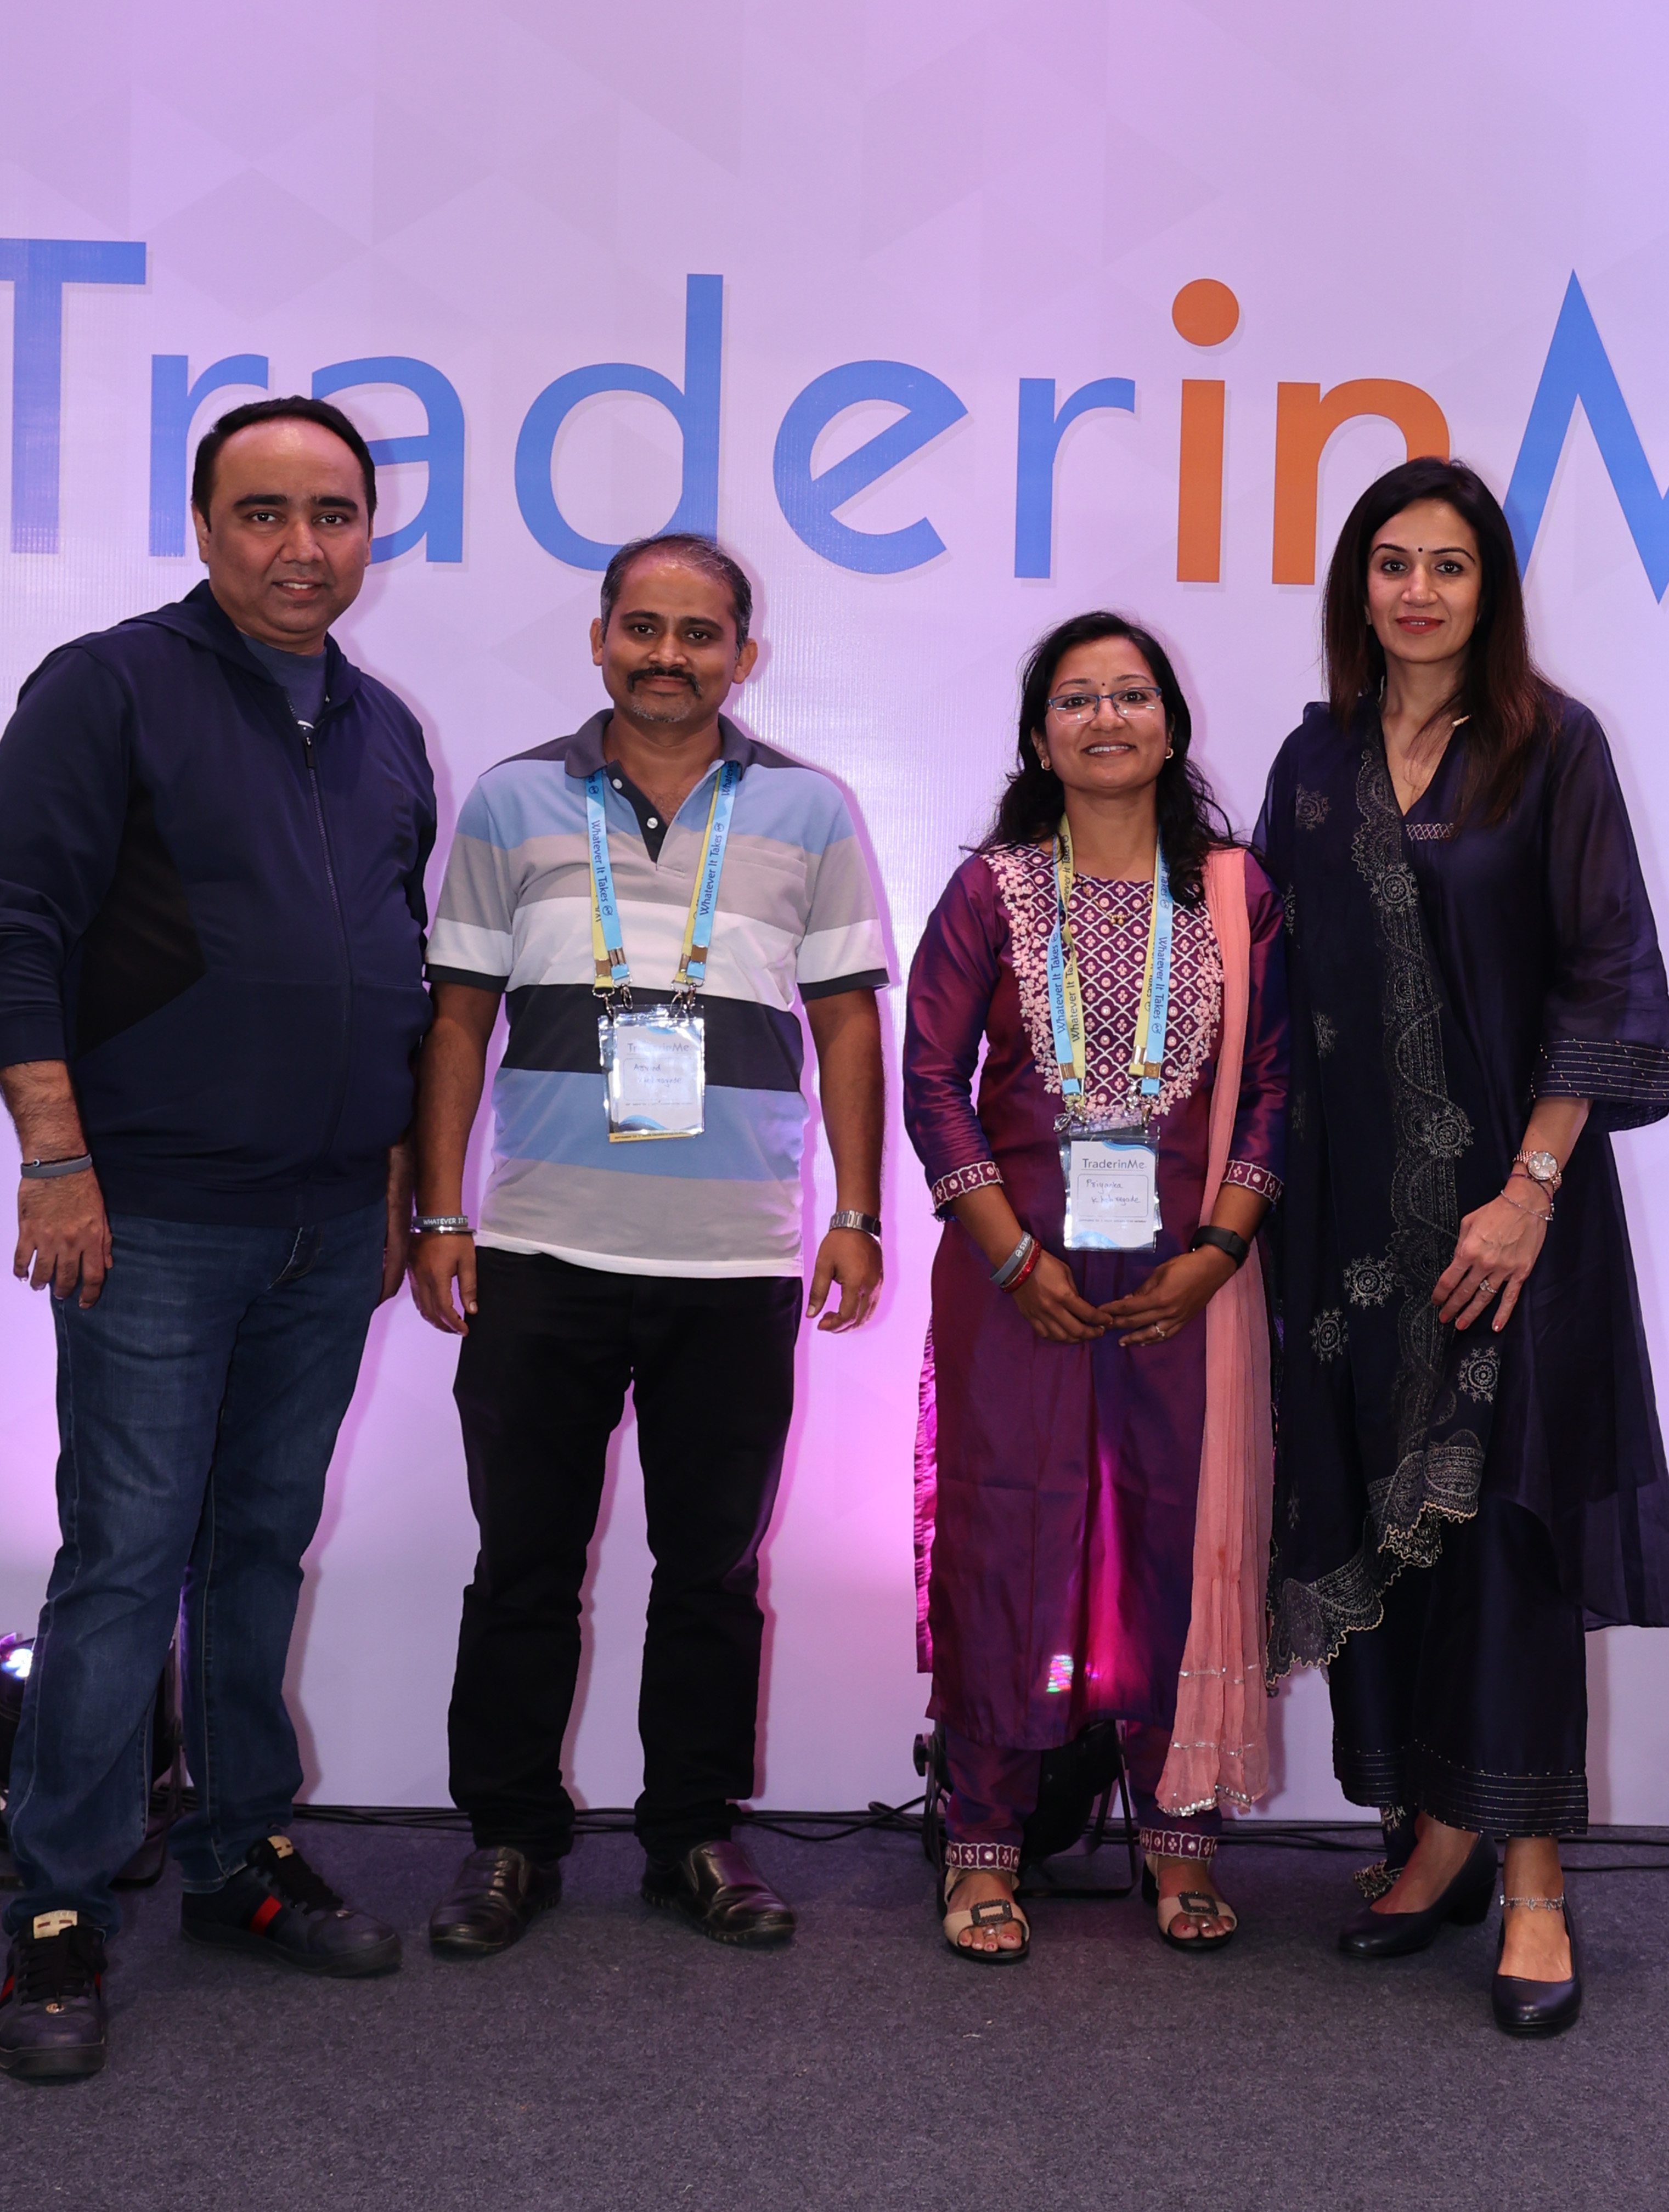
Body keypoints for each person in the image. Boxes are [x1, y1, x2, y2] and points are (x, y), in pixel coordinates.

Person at [0, 397, 435, 2083]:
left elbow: (388, 965)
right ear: (203, 527)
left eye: (332, 514)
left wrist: (390, 1180)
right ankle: (51, 1905)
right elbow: (19, 923)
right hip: (154, 1216)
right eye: (263, 513)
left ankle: (240, 1852)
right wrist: (55, 1157)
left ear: (368, 533)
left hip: (326, 1222)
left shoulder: (385, 730)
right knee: (126, 1558)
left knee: (259, 1546)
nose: (300, 547)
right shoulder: (109, 688)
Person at [411, 531, 887, 1955]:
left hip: (734, 1261)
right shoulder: (511, 800)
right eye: (643, 628)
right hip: (541, 1248)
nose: (667, 656)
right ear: (600, 638)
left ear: (744, 654)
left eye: (698, 633)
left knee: (712, 1573)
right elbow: (457, 1018)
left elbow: (847, 1025)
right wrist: (441, 1210)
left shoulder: (809, 809)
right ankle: (508, 1836)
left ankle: (692, 1833)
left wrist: (856, 1214)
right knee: (521, 1564)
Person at [1258, 455, 1669, 2036]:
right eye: (1391, 563)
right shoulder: (1314, 761)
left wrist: (1529, 1189)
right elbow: (1271, 975)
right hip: (1352, 1235)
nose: (1417, 591)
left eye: (1448, 565)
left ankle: (1535, 1884)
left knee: (1509, 1537)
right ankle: (1434, 1834)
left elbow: (1607, 975)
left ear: (1489, 588)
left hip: (1512, 1223)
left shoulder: (1550, 747)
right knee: (1396, 1527)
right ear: (1356, 586)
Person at [903, 612, 1287, 1960]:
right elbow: (932, 1082)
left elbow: (1276, 1085)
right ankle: (984, 1839)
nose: (1107, 718)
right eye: (1077, 698)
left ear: (1172, 726)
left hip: (1189, 1280)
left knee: (1178, 1533)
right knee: (1007, 1533)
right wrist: (1012, 1255)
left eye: (1131, 696)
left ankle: (1179, 1836)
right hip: (1018, 1276)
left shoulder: (1236, 893)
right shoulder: (991, 891)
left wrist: (1218, 1252)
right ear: (1038, 736)